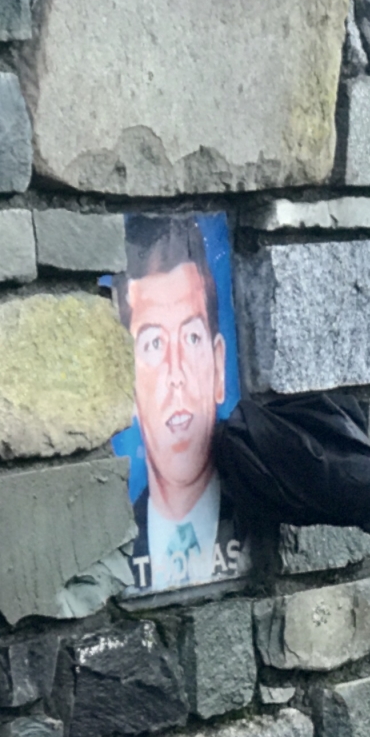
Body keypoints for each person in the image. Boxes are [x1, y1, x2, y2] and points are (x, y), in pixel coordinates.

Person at [114, 215, 240, 592]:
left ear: (219, 367)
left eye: (192, 339)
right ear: (126, 383)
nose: (176, 373)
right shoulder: (111, 551)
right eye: (153, 344)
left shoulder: (266, 524)